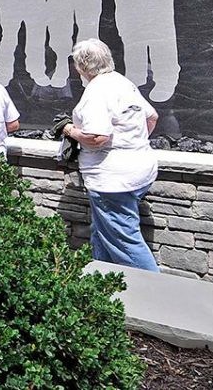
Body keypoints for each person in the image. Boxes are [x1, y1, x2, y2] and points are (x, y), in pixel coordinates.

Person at [64, 38, 159, 272]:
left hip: (112, 180)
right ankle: (102, 283)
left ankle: (158, 294)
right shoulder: (122, 83)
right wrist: (132, 142)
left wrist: (68, 129)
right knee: (103, 231)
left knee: (125, 242)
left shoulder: (96, 92)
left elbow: (97, 138)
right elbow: (151, 117)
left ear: (81, 67)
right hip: (139, 170)